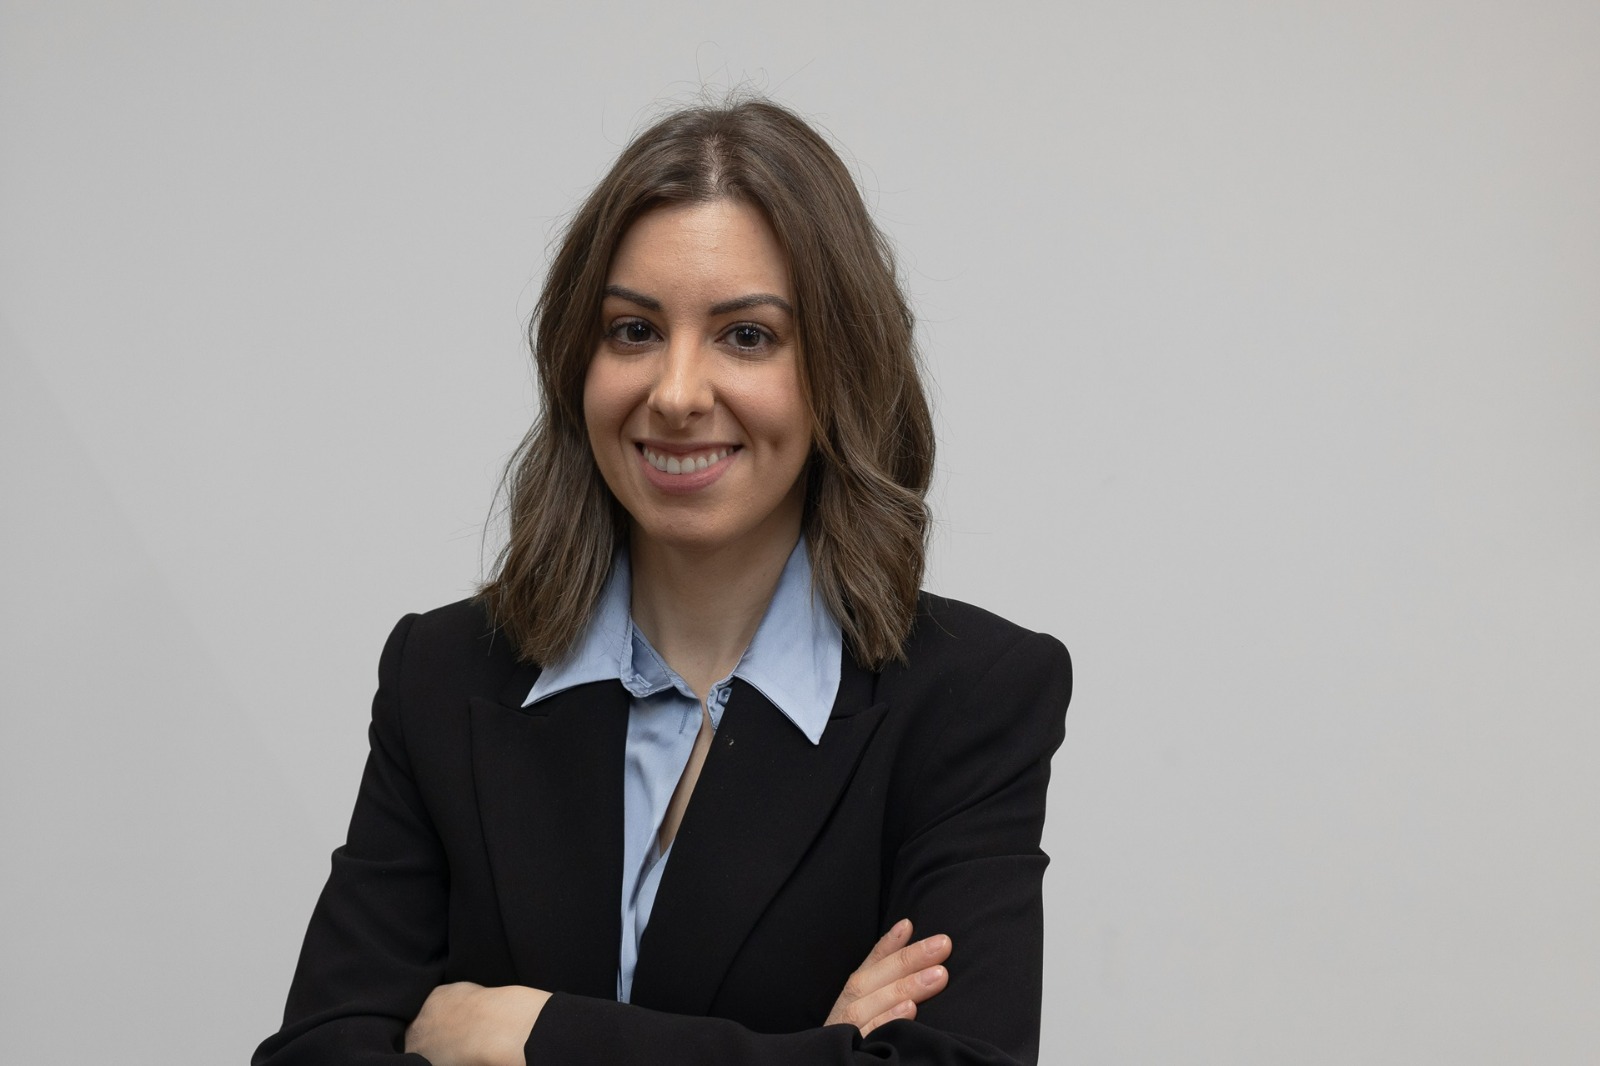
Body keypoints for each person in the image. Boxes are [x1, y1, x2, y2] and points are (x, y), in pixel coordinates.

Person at [253, 98, 1072, 1066]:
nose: (676, 393)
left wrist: (534, 1034)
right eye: (634, 330)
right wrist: (813, 1051)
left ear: (841, 367)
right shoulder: (443, 674)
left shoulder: (973, 697)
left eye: (747, 336)